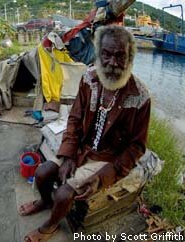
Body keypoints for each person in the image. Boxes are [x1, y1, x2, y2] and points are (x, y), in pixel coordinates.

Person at [18, 25, 151, 241]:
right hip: (81, 146)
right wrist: (69, 154)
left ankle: (51, 225)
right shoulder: (89, 78)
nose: (112, 63)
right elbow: (75, 119)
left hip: (107, 157)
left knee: (64, 193)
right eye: (106, 54)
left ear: (131, 59)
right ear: (98, 54)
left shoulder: (141, 97)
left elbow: (137, 147)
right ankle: (45, 202)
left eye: (120, 56)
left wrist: (104, 176)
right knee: (42, 173)